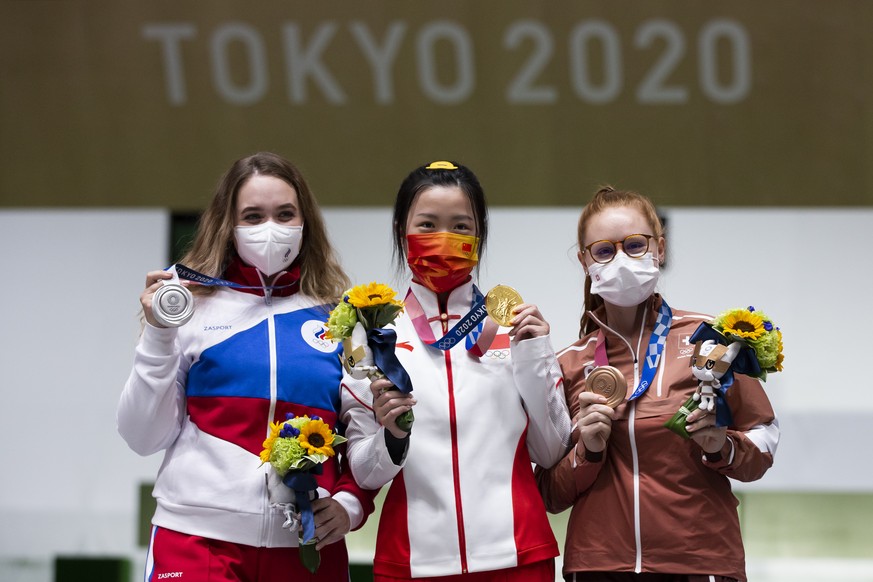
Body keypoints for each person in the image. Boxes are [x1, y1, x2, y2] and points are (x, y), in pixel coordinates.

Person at [117, 152, 374, 582]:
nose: (269, 228)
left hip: (308, 547)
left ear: (305, 221)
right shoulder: (192, 309)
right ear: (228, 225)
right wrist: (159, 333)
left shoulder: (340, 319)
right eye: (252, 216)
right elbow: (142, 435)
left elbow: (365, 436)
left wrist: (350, 506)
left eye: (284, 214)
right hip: (197, 541)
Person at [340, 160, 572, 581]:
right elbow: (364, 471)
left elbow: (551, 451)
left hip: (518, 555)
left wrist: (536, 356)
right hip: (412, 560)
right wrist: (391, 437)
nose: (443, 239)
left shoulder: (512, 323)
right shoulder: (371, 333)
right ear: (400, 230)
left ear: (479, 234)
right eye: (427, 225)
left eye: (460, 227)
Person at [535, 186, 780, 582]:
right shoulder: (569, 364)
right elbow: (548, 492)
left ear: (659, 249)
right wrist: (589, 451)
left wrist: (722, 446)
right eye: (603, 250)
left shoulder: (713, 342)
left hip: (700, 563)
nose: (620, 259)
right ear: (585, 261)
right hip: (600, 566)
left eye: (634, 244)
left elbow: (764, 440)